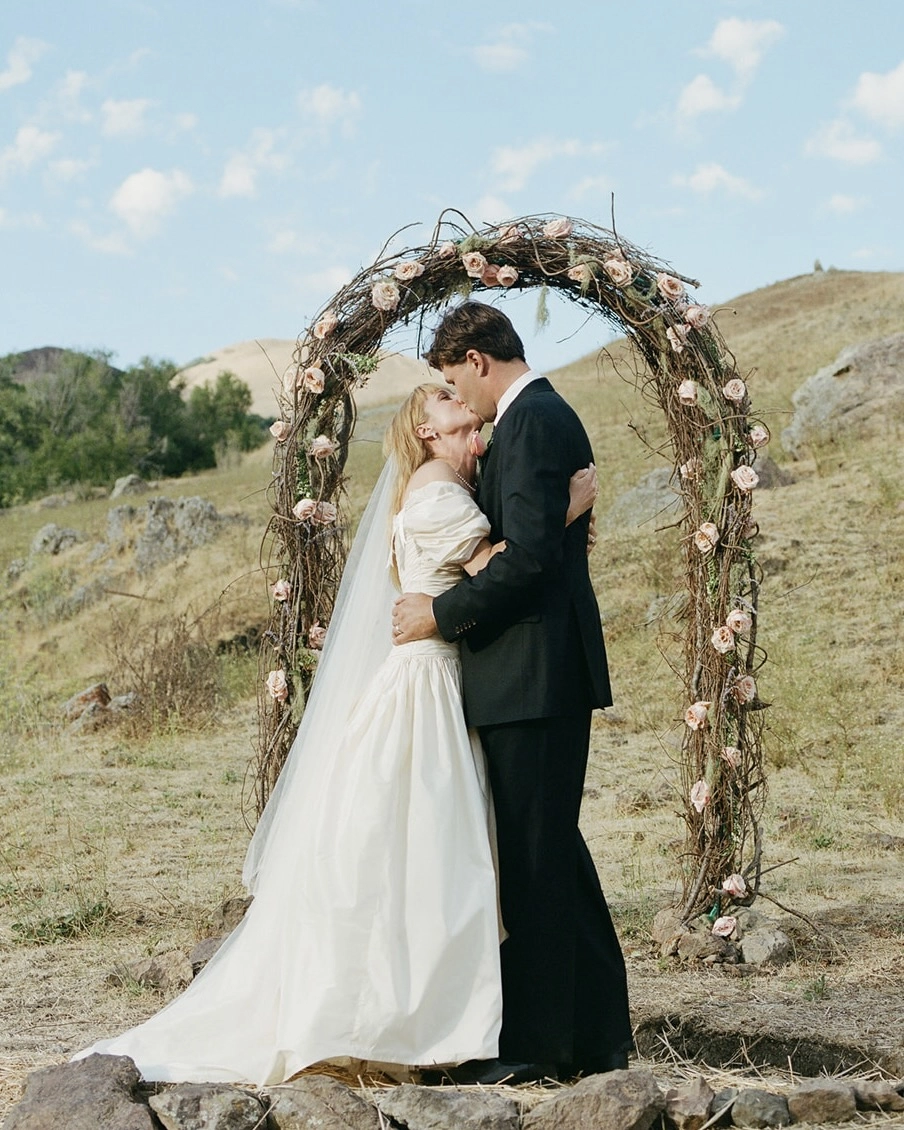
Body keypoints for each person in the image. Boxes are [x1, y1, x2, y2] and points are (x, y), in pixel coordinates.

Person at [72, 381, 596, 1086]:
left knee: (418, 847)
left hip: (433, 674)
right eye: (443, 398)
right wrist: (567, 509)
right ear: (426, 430)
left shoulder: (441, 483)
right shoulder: (440, 490)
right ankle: (411, 1018)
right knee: (428, 847)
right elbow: (495, 567)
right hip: (428, 682)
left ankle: (428, 1014)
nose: (457, 399)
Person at [393, 302, 634, 1085]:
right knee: (552, 852)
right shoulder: (536, 417)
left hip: (531, 674)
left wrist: (439, 615)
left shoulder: (530, 421)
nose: (460, 399)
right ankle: (599, 1035)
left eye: (454, 379)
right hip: (532, 674)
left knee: (533, 862)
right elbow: (533, 540)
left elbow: (525, 560)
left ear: (477, 359)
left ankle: (537, 1045)